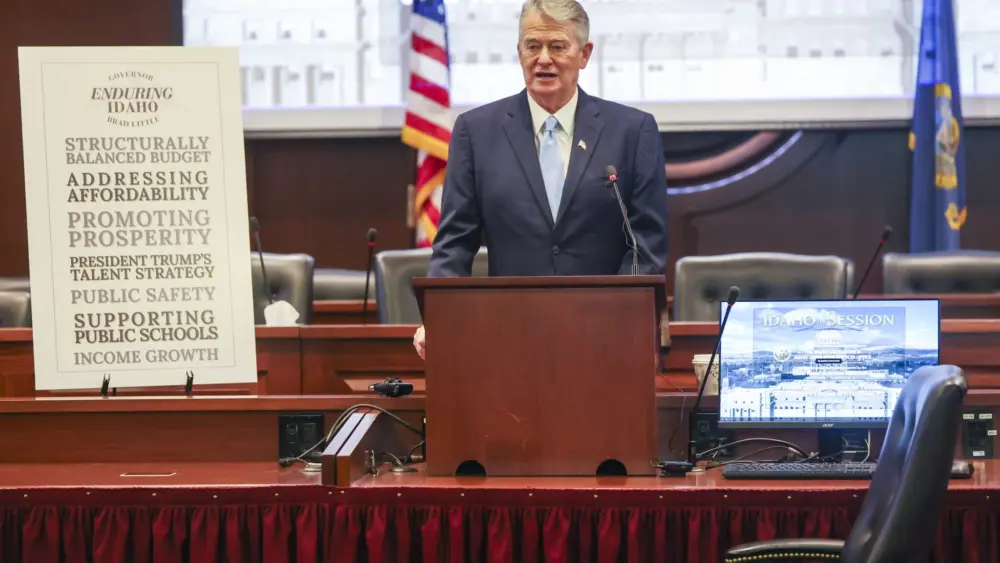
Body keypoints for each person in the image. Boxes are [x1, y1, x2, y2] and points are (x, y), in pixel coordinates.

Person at [413, 0, 669, 359]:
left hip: (605, 339)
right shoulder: (477, 132)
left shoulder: (631, 131)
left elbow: (646, 244)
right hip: (508, 338)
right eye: (533, 46)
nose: (543, 58)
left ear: (584, 54)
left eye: (558, 46)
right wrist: (438, 317)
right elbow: (455, 243)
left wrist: (618, 316)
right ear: (519, 53)